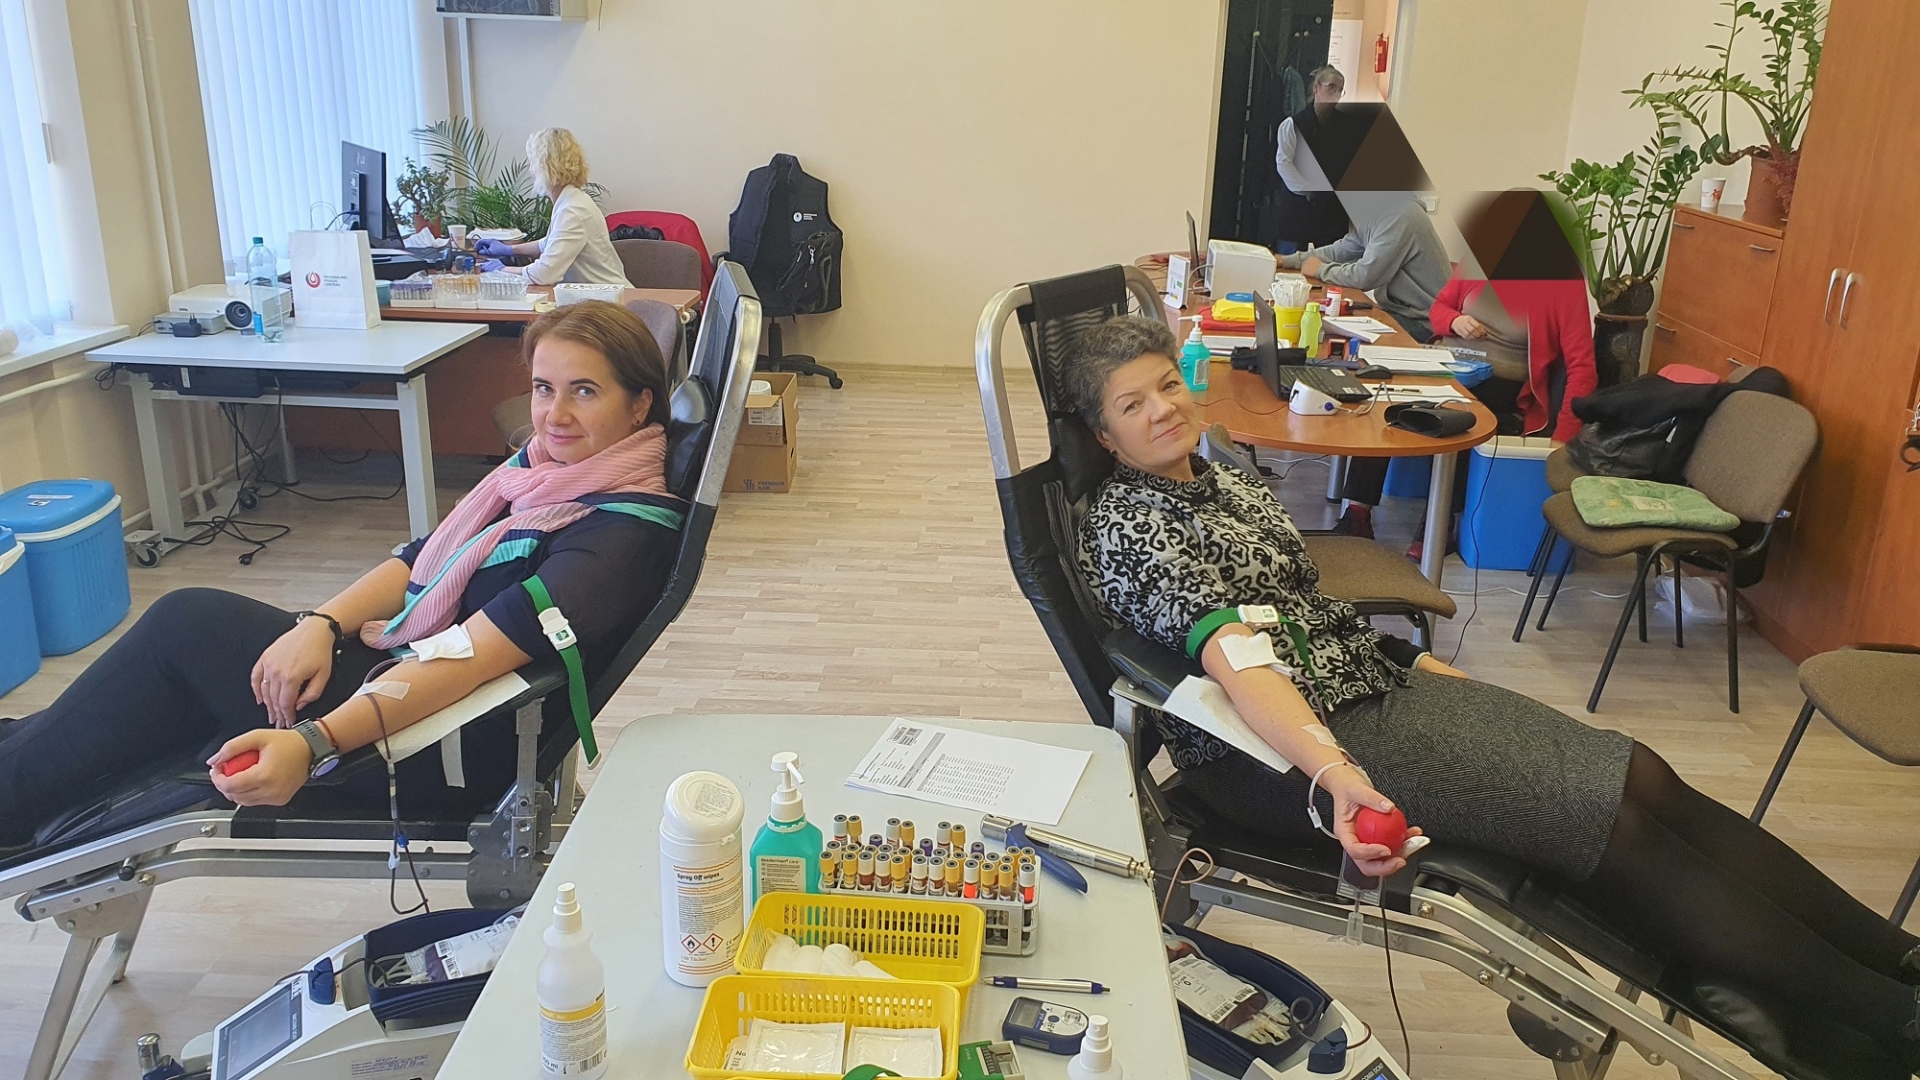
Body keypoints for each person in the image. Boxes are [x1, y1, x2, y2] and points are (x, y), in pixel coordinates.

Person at [1067, 315, 1920, 1066]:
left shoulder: (1219, 477)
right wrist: (1333, 773)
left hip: (1361, 689)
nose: (1162, 409)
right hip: (1277, 750)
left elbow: (1299, 608)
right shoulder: (1133, 524)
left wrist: (1410, 661)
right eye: (1132, 405)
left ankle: (1896, 960)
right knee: (1614, 828)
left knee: (1642, 776)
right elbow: (1242, 665)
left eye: (1166, 385)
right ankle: (1893, 1020)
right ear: (1105, 436)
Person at [0, 302, 682, 849]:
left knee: (186, 629)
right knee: (179, 659)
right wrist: (319, 625)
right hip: (415, 680)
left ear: (639, 405)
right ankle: (23, 757)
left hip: (442, 741)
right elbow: (420, 561)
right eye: (543, 388)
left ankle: (9, 799)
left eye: (584, 391)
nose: (554, 415)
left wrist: (312, 742)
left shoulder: (616, 537)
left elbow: (470, 661)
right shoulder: (544, 478)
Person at [1277, 191, 1448, 343]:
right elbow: (1340, 251)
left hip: (1423, 322)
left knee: (1329, 332)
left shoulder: (1400, 215)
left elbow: (1365, 276)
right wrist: (1287, 261)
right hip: (1400, 312)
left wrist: (1320, 270)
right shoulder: (1381, 211)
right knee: (1325, 324)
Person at [475, 128, 632, 288]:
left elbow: (544, 275)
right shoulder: (572, 200)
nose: (530, 171)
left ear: (545, 166)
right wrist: (509, 249)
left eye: (532, 163)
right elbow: (549, 243)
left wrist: (499, 269)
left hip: (607, 298)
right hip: (599, 294)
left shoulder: (572, 210)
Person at [1270, 66, 1356, 252]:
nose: (1336, 94)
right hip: (1297, 207)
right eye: (1331, 87)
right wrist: (1309, 189)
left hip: (1331, 214)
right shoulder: (1292, 124)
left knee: (1330, 262)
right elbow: (1284, 163)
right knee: (1289, 261)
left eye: (1340, 90)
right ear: (1316, 87)